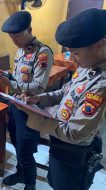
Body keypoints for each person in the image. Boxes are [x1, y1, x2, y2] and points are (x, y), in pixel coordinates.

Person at [13, 8, 106, 190]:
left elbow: (75, 134)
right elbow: (65, 91)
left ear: (100, 45)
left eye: (76, 53)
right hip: (59, 140)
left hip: (74, 151)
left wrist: (35, 117)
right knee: (54, 181)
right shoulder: (88, 63)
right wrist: (38, 100)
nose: (73, 60)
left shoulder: (102, 85)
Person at [0, 11, 53, 190]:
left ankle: (30, 183)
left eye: (18, 35)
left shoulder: (42, 53)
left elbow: (38, 87)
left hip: (30, 110)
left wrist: (11, 83)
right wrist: (8, 76)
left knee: (25, 149)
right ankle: (21, 174)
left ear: (29, 29)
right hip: (15, 105)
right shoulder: (20, 51)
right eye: (11, 36)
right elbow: (21, 77)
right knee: (16, 143)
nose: (14, 39)